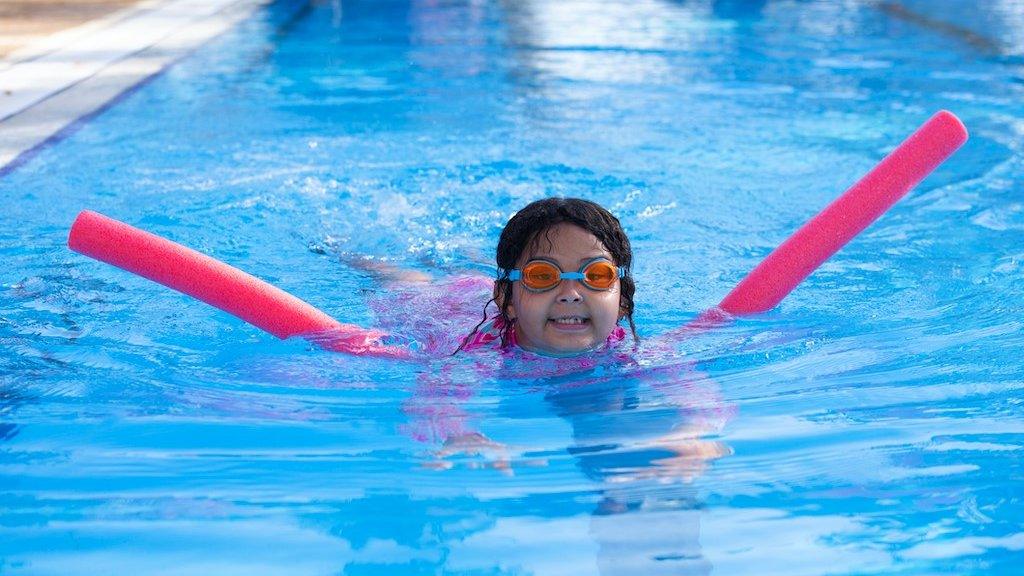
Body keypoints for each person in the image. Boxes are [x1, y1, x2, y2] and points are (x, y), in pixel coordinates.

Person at [457, 197, 638, 356]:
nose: (570, 294)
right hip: (460, 296)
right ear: (507, 299)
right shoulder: (478, 355)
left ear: (622, 301)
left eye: (597, 274)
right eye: (542, 275)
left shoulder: (633, 353)